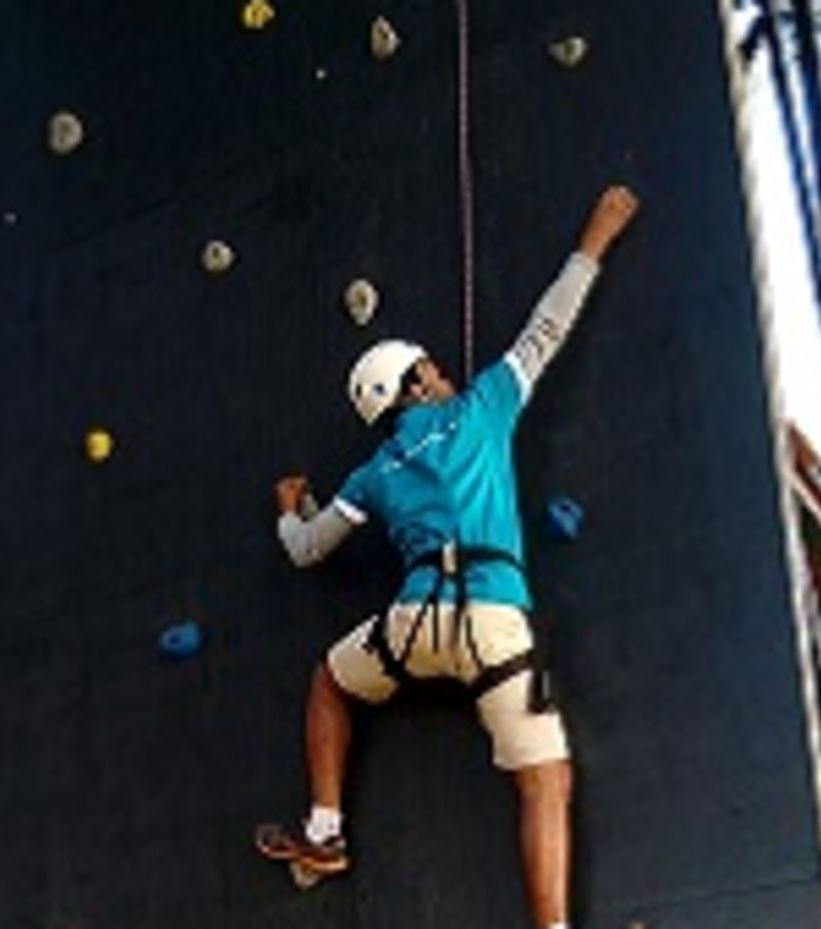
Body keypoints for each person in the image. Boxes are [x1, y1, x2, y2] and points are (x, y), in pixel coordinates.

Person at [256, 185, 639, 929]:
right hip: (493, 623)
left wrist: (286, 509)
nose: (442, 372)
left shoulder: (375, 468)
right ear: (416, 382)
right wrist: (596, 236)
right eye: (430, 367)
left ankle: (325, 832)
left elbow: (306, 549)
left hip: (412, 625)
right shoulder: (481, 408)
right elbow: (547, 326)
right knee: (544, 782)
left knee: (330, 681)